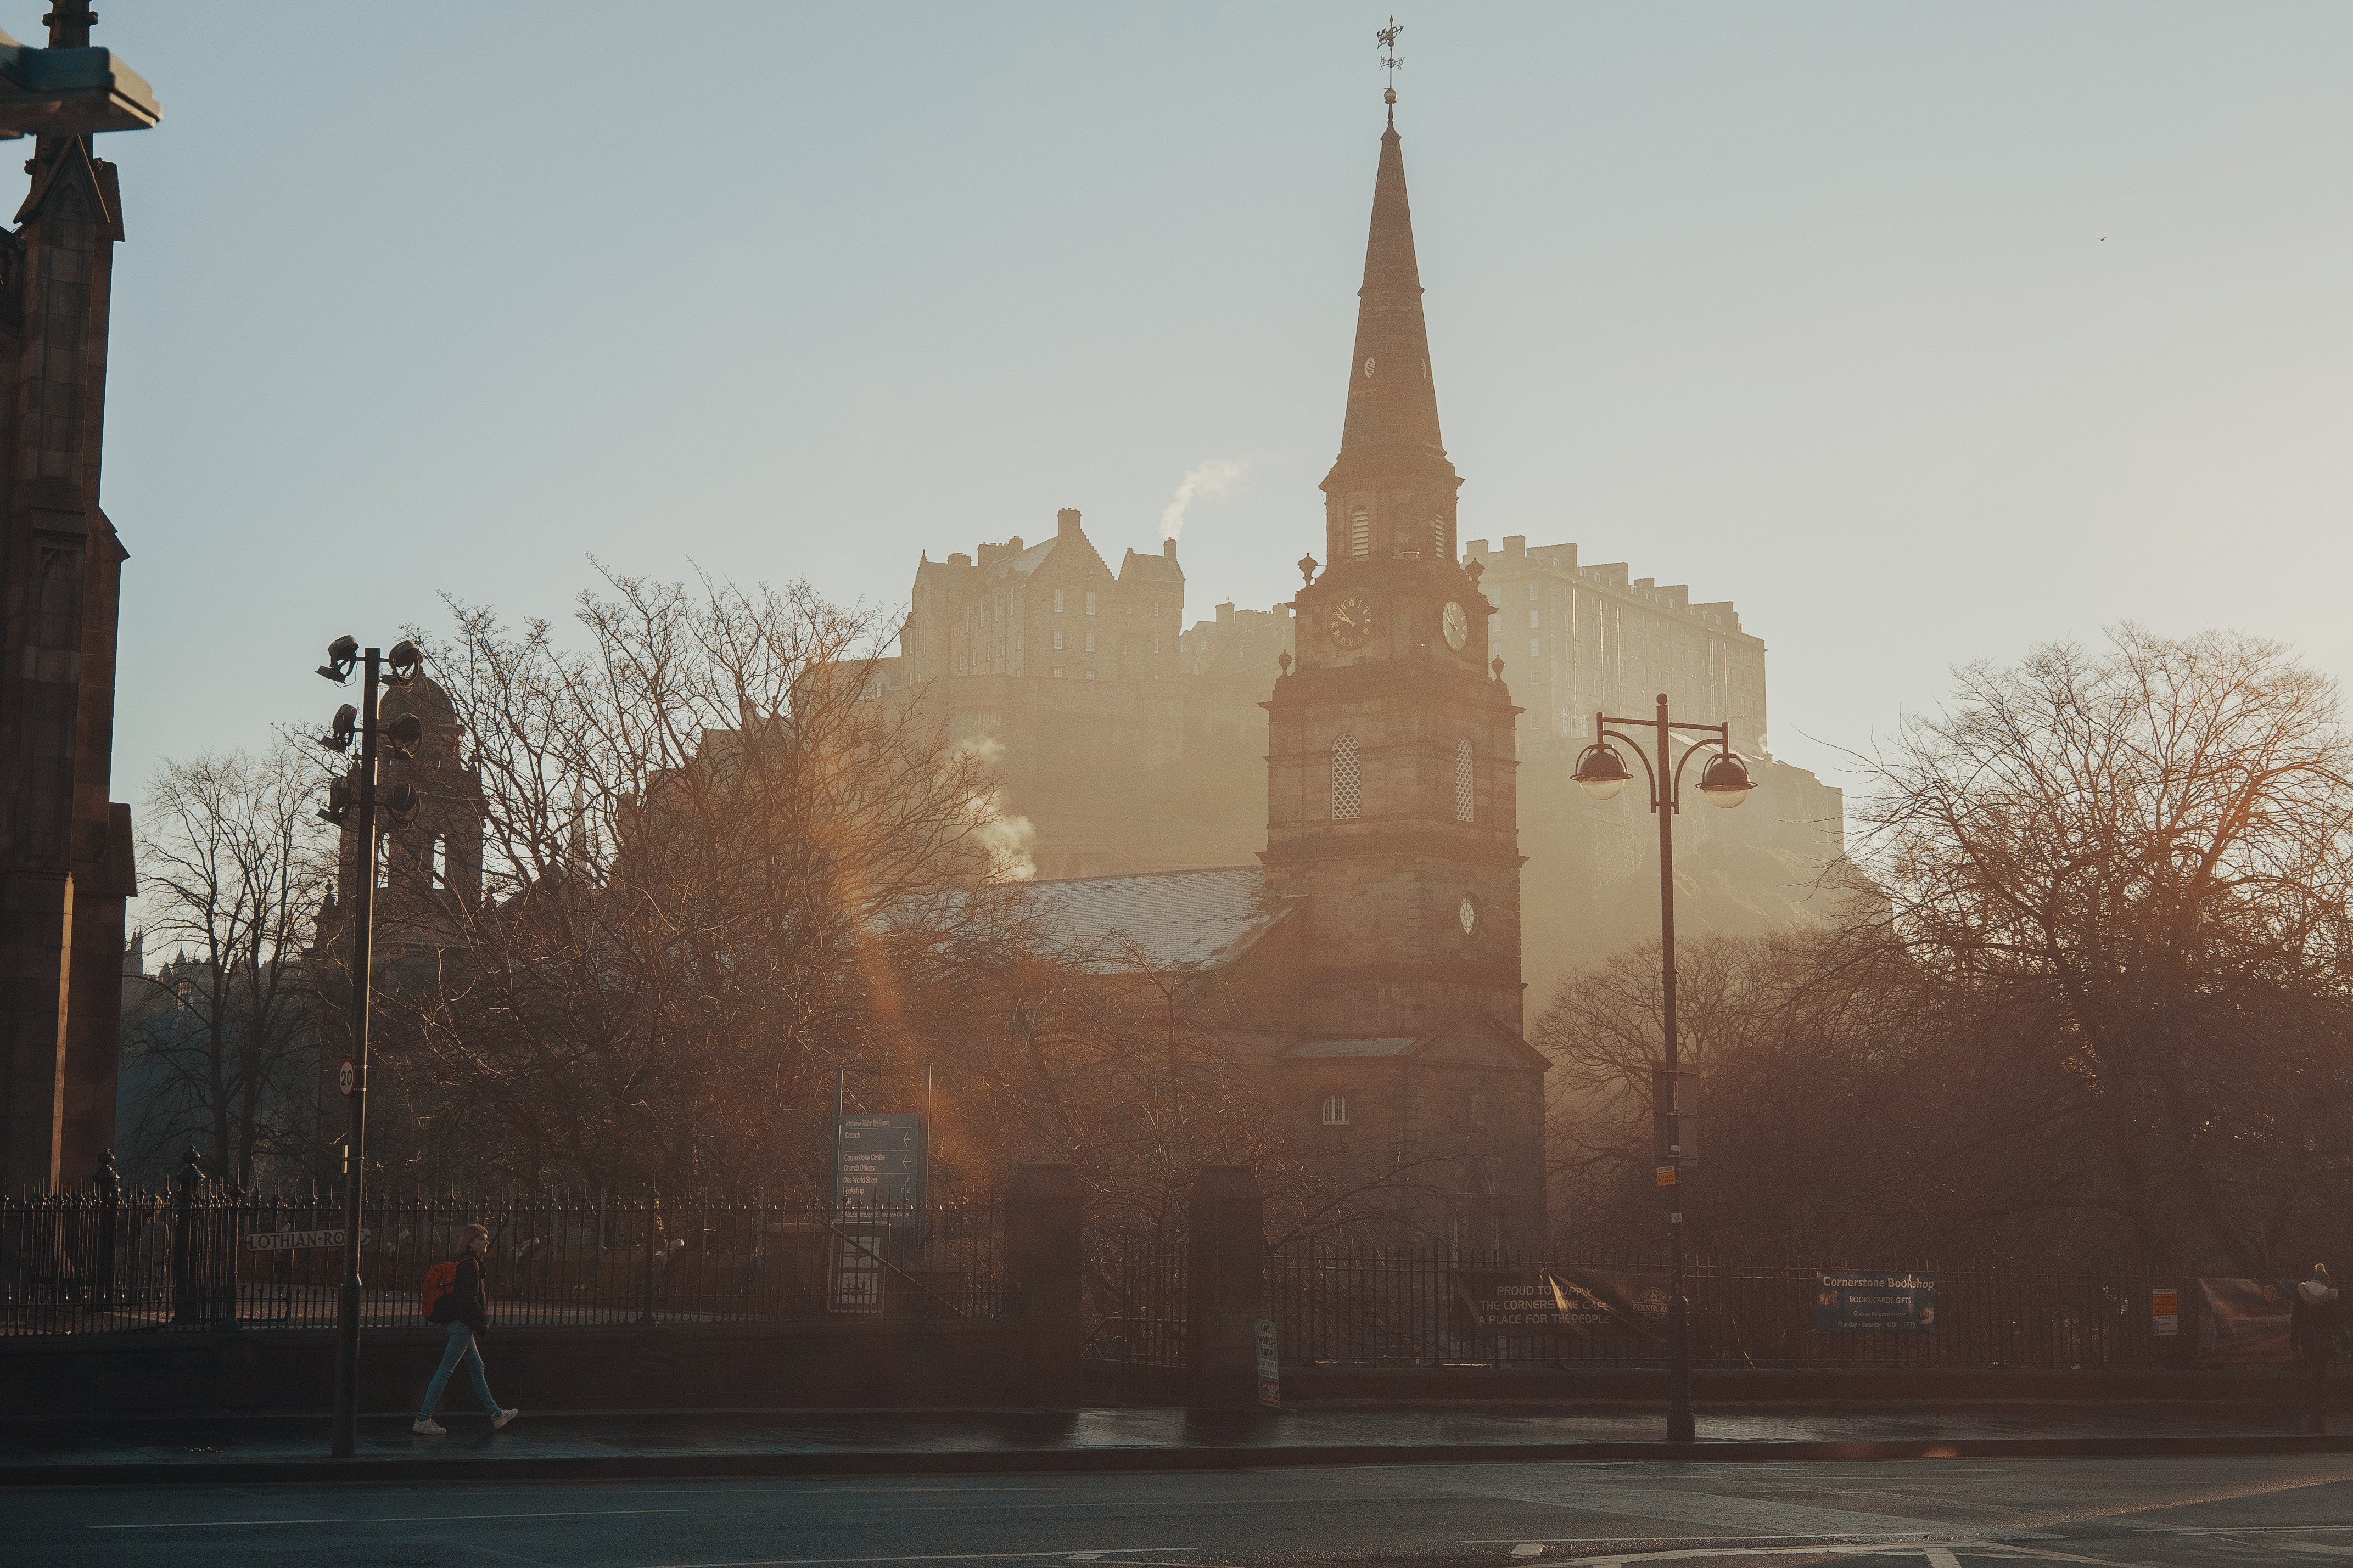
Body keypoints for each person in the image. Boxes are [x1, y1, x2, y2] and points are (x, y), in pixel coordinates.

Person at [412, 1223, 520, 1435]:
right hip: (463, 1325)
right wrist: (482, 1317)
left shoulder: (460, 1260)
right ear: (470, 1242)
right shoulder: (470, 1265)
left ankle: (496, 1415)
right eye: (481, 1239)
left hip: (458, 1323)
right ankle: (423, 1418)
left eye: (486, 1238)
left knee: (477, 1368)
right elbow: (468, 1299)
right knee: (445, 1371)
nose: (486, 1242)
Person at [2290, 1263, 2344, 1432]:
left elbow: (2295, 1317)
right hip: (2322, 1338)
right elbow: (2335, 1321)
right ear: (2326, 1283)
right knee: (2320, 1371)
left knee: (2312, 1365)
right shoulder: (2328, 1298)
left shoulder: (2302, 1295)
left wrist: (2294, 1338)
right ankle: (2316, 1403)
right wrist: (2344, 1337)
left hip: (2307, 1336)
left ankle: (2310, 1400)